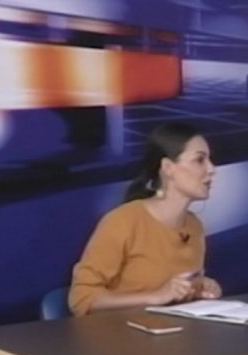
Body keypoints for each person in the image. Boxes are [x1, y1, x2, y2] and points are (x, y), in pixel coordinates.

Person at [69, 123, 222, 316]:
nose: (211, 169)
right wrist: (155, 297)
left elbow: (177, 295)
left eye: (209, 160)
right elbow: (82, 298)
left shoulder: (195, 227)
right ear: (168, 168)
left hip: (175, 332)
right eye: (199, 160)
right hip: (122, 332)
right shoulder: (124, 221)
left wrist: (199, 288)